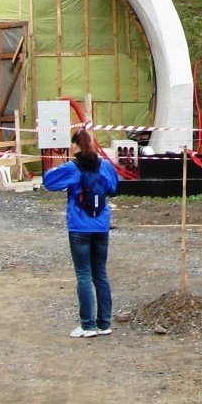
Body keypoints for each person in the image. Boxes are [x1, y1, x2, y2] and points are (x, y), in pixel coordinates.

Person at [42, 130, 121, 338]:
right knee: (100, 274)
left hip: (79, 226)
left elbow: (49, 182)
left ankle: (88, 325)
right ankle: (104, 323)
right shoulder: (104, 165)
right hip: (101, 225)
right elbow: (114, 186)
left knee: (84, 275)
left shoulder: (72, 168)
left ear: (76, 146)